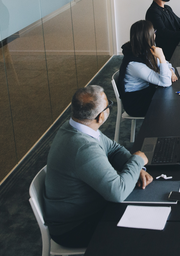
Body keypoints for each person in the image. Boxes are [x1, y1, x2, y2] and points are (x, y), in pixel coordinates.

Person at [44, 85, 153, 248]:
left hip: (85, 208)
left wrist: (137, 170)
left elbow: (114, 149)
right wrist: (137, 161)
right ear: (101, 116)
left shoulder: (77, 126)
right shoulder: (83, 148)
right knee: (141, 232)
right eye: (109, 104)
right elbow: (118, 192)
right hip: (74, 227)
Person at [116, 20, 178, 117]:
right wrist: (161, 57)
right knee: (175, 105)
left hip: (147, 91)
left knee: (176, 98)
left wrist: (171, 71)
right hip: (137, 103)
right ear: (148, 36)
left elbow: (167, 65)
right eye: (154, 32)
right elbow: (166, 82)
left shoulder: (145, 49)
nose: (155, 34)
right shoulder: (134, 64)